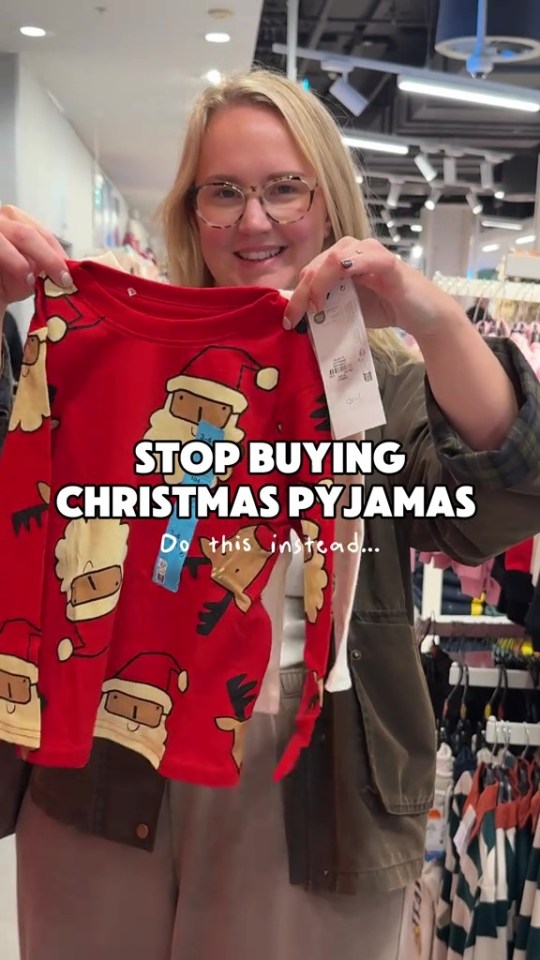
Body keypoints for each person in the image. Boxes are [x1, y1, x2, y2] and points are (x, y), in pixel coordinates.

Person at [0, 68, 539, 960]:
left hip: (309, 775)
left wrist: (426, 310)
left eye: (286, 187)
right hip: (107, 743)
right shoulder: (106, 346)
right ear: (191, 210)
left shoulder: (381, 377)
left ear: (329, 202)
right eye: (225, 191)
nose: (255, 220)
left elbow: (504, 496)